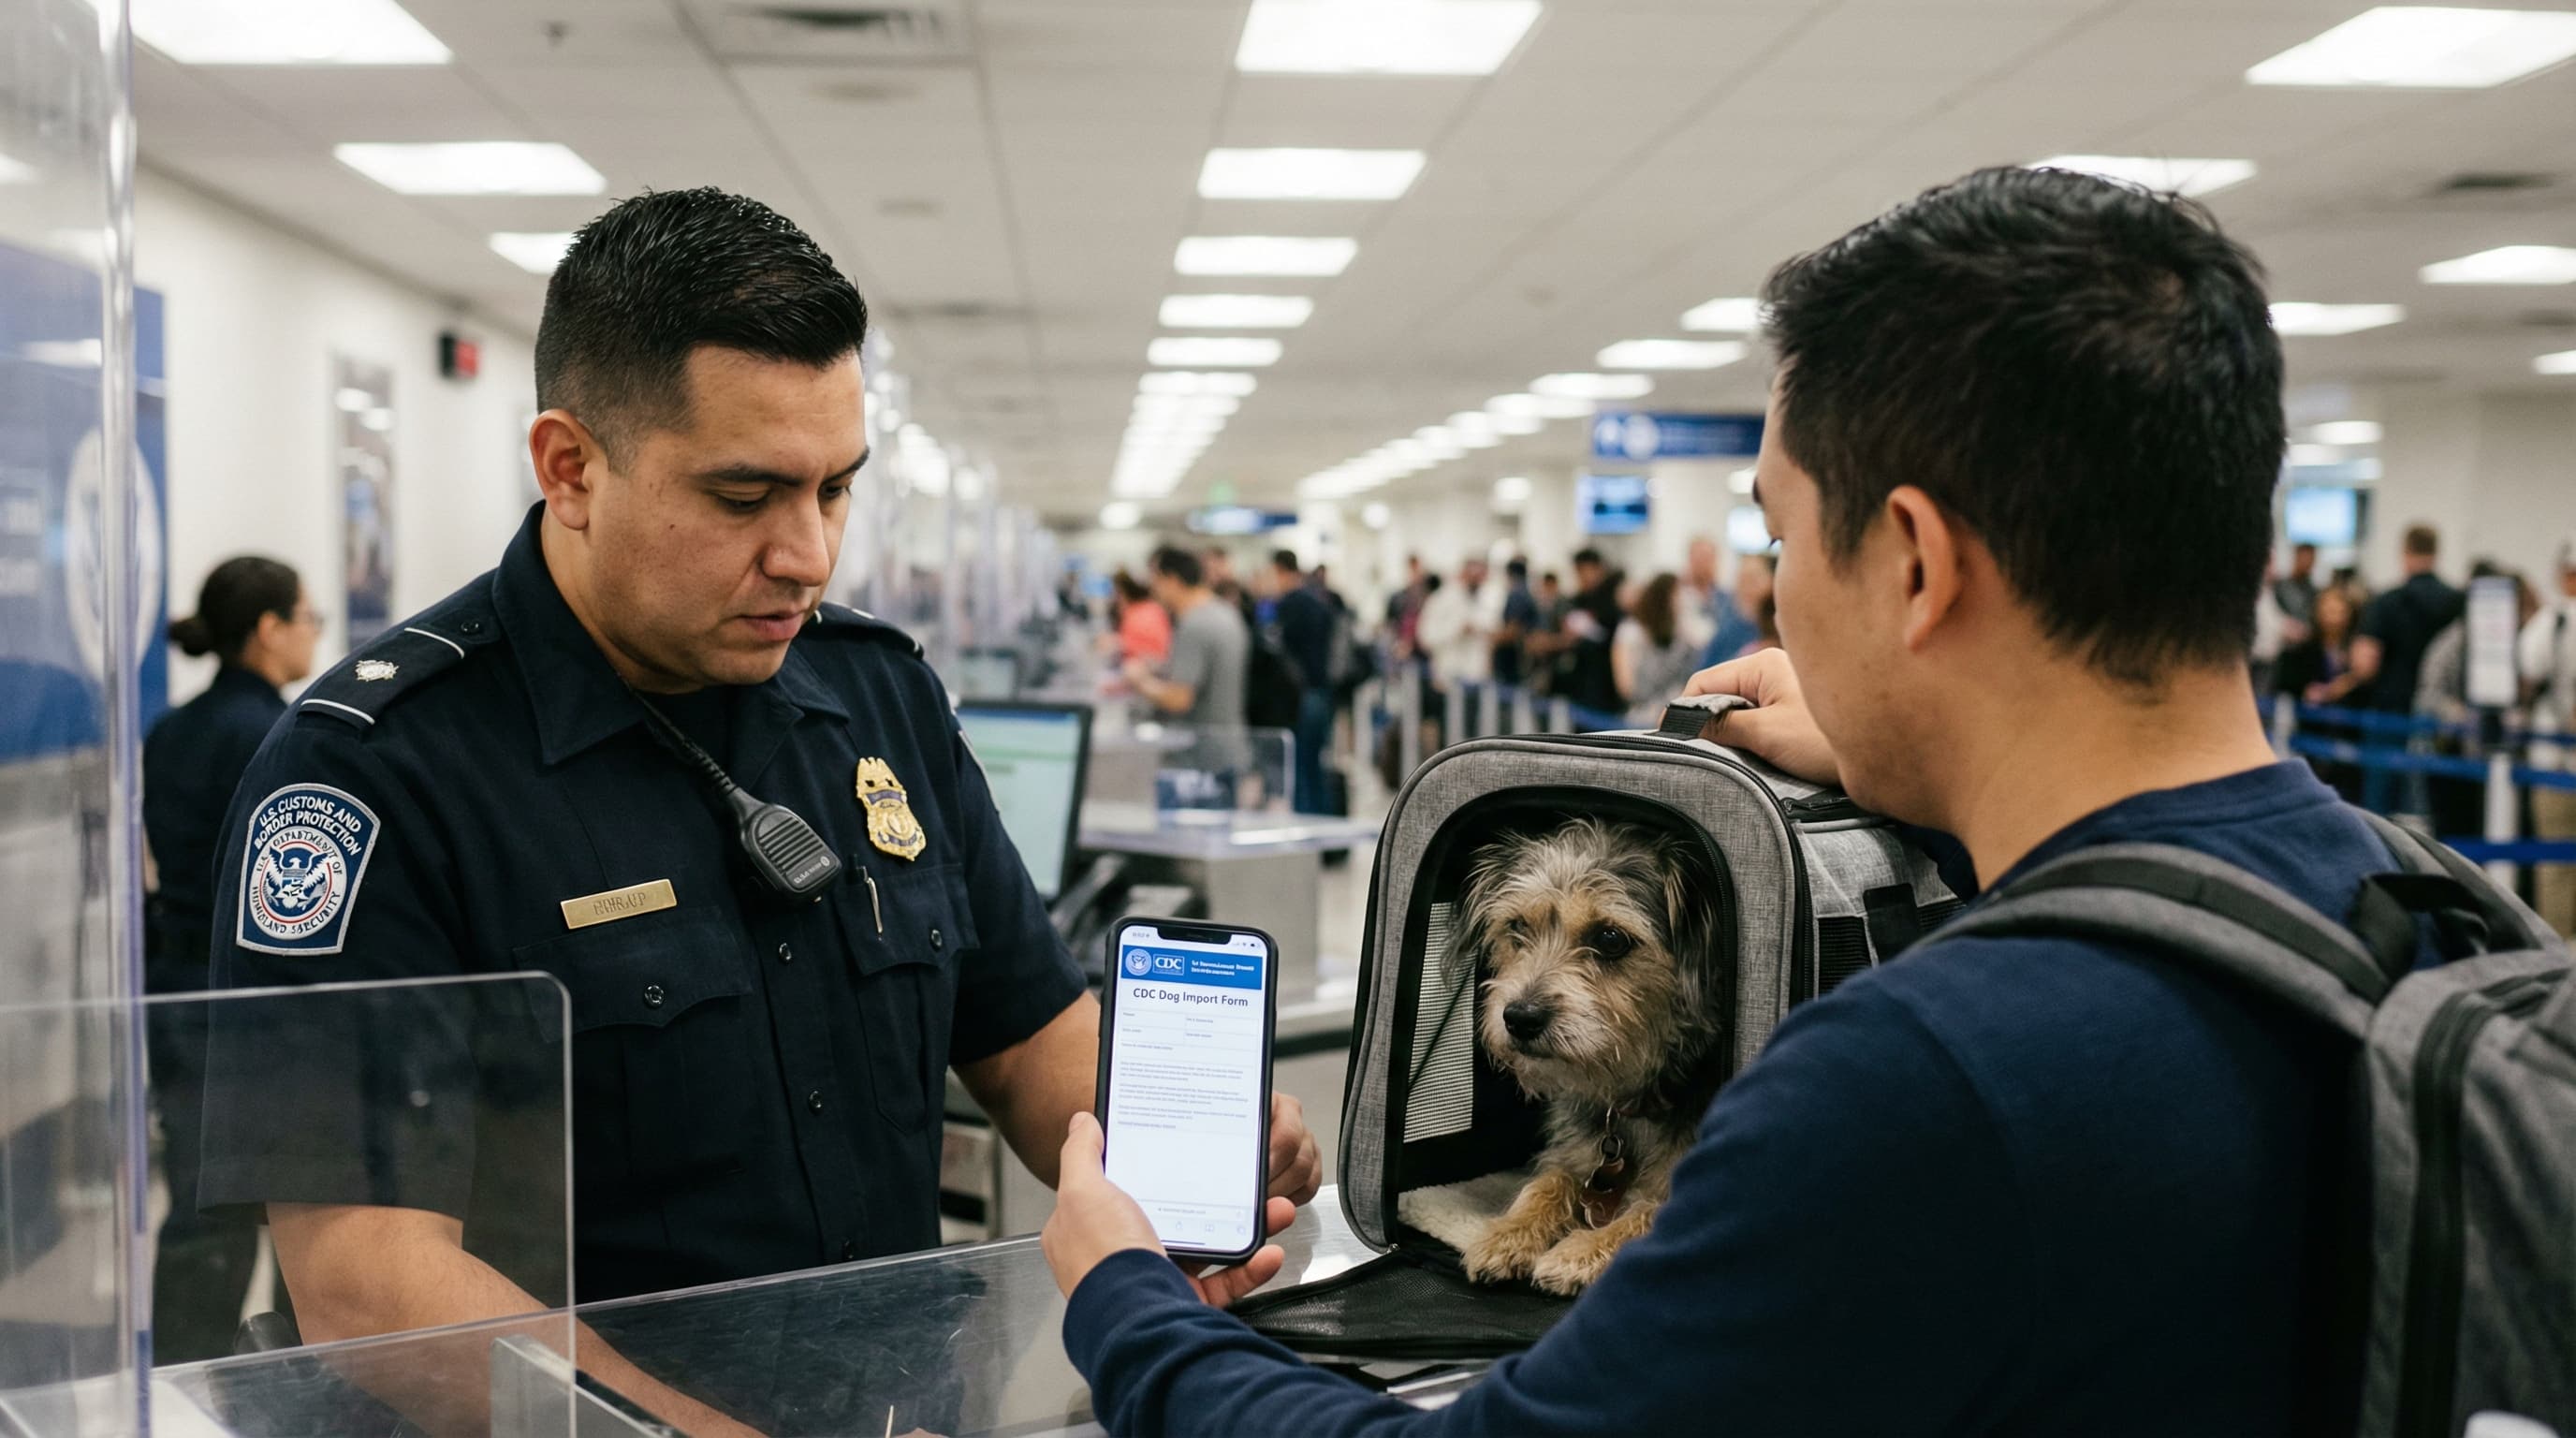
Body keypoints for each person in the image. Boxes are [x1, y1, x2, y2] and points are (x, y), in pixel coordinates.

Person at [1043, 164, 2419, 1435]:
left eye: (1778, 534)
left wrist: (1127, 1303)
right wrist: (1905, 756)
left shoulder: (1913, 1080)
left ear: (1917, 565)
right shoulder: (2411, 911)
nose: (1773, 593)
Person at [194, 188, 1317, 1435]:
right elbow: (362, 1282)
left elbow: (1024, 1031)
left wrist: (1170, 1166)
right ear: (570, 467)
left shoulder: (873, 696)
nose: (809, 553)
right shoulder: (373, 777)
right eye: (745, 498)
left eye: (835, 488)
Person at [139, 556, 319, 1364]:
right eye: (306, 618)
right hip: (252, 1006)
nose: (315, 633)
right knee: (294, 1201)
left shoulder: (173, 728)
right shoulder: (282, 735)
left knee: (196, 1206)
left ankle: (171, 1390)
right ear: (268, 630)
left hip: (173, 988)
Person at [1127, 543, 1254, 786]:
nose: (1153, 590)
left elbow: (1179, 698)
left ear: (1173, 580)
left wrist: (1139, 681)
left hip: (1198, 759)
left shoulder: (1194, 625)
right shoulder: (1225, 613)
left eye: (1156, 580)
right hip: (1228, 748)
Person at [2320, 523, 2462, 715]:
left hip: (2392, 716)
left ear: (2405, 552)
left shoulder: (2385, 603)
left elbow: (2365, 665)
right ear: (2436, 553)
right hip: (2442, 718)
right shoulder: (2459, 602)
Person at [2522, 535, 2576, 936]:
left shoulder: (2551, 622)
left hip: (2553, 764)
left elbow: (2527, 670)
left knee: (2555, 866)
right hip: (2556, 758)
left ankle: (2560, 951)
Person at [1265, 550, 1338, 814]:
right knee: (1314, 767)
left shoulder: (1290, 606)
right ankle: (1326, 835)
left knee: (1301, 769)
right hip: (1320, 692)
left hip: (1301, 696)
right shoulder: (1318, 601)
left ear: (1280, 571)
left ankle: (1310, 832)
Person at [1611, 572, 1702, 726]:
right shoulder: (1631, 631)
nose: (1681, 603)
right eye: (1677, 597)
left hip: (1674, 713)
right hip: (1642, 716)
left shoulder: (1682, 636)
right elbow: (1627, 688)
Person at [1555, 548, 1626, 723]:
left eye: (1584, 571)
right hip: (1581, 685)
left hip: (1606, 687)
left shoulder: (1612, 603)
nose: (1582, 577)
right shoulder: (1576, 601)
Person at [1491, 558, 1541, 698]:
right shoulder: (1527, 593)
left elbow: (1513, 630)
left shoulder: (1517, 594)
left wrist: (1491, 640)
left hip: (1514, 657)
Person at [1109, 569, 1169, 666]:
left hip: (1147, 670)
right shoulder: (1144, 610)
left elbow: (1157, 653)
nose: (1114, 598)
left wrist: (1121, 644)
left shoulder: (1144, 614)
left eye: (1118, 593)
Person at [2274, 540, 2320, 629]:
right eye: (2304, 557)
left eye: (2310, 559)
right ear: (2296, 557)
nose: (2307, 562)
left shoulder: (2314, 590)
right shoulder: (2280, 586)